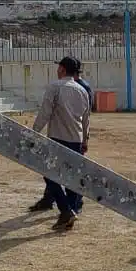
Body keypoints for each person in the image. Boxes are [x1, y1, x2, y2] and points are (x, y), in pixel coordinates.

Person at [31, 56, 91, 231]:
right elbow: (87, 119)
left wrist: (34, 132)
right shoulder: (83, 90)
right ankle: (70, 211)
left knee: (49, 174)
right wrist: (85, 140)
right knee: (71, 179)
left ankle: (66, 210)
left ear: (63, 69)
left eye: (59, 68)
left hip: (58, 138)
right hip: (76, 139)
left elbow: (45, 113)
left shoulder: (55, 87)